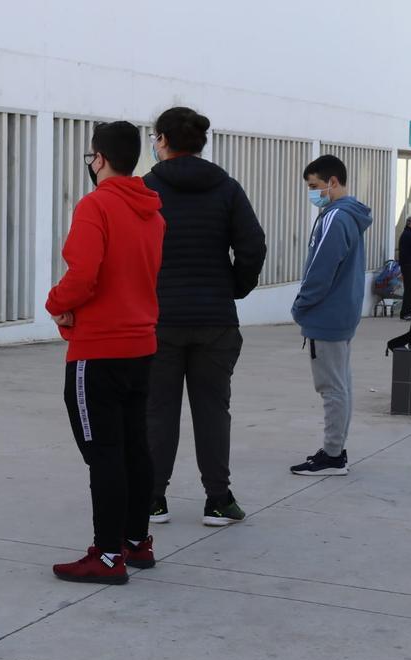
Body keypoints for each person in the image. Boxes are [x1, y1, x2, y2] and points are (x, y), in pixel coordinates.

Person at [46, 121, 165, 585]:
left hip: (97, 351)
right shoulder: (153, 213)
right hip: (141, 346)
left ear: (98, 159)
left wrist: (56, 305)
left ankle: (108, 554)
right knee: (135, 447)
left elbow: (83, 274)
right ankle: (136, 542)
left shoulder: (95, 206)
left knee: (104, 454)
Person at [144, 107, 267, 527]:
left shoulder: (147, 189)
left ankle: (152, 499)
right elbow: (253, 245)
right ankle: (218, 499)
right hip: (216, 320)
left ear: (161, 140)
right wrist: (233, 287)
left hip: (159, 319)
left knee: (158, 410)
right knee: (213, 410)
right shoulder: (227, 188)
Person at [289, 155, 373, 476]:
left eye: (314, 186)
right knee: (341, 385)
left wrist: (301, 306)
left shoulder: (334, 218)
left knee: (332, 388)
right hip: (343, 313)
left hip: (326, 316)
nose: (312, 193)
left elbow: (319, 269)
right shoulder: (350, 216)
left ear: (332, 183)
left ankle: (333, 455)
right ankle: (335, 450)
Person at [398, 216, 411, 320]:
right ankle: (405, 313)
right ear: (410, 223)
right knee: (410, 290)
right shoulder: (408, 234)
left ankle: (409, 311)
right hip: (408, 266)